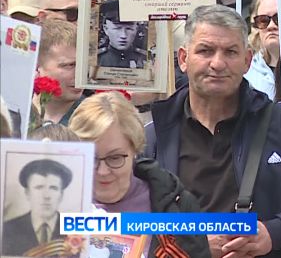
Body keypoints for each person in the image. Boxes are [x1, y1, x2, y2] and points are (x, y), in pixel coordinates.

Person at [144, 5, 281, 257]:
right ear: (183, 59)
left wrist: (275, 232)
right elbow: (125, 222)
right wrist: (190, 242)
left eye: (230, 52)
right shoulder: (154, 136)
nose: (217, 63)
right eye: (205, 50)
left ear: (247, 60)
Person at [69, 92, 210, 256]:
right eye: (91, 158)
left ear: (135, 150)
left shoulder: (177, 206)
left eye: (115, 158)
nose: (102, 171)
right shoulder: (55, 207)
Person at [2, 159, 72, 256]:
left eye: (53, 188)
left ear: (61, 195)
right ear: (27, 193)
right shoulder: (7, 228)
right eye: (39, 187)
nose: (46, 196)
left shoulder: (76, 228)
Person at [34, 19, 86, 127]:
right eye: (69, 65)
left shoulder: (95, 119)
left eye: (84, 65)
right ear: (37, 67)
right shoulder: (14, 113)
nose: (81, 74)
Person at [97, 0, 147, 69]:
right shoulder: (97, 59)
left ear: (136, 29)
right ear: (106, 29)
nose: (123, 35)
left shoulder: (145, 59)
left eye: (129, 29)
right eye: (117, 28)